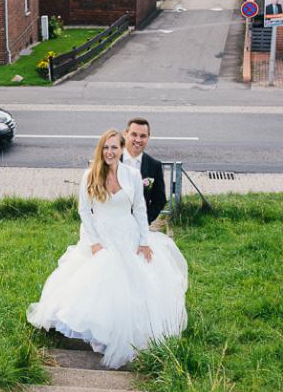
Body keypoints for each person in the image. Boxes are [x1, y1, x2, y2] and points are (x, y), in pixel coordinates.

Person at [27, 129, 188, 369]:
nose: (110, 152)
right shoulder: (90, 175)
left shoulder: (132, 175)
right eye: (106, 147)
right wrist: (94, 242)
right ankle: (96, 330)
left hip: (127, 233)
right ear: (100, 150)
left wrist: (144, 241)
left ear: (122, 150)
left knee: (133, 282)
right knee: (96, 280)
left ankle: (123, 330)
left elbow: (140, 209)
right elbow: (84, 211)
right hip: (100, 235)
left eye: (114, 147)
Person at [122, 118, 167, 230]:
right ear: (125, 134)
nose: (138, 140)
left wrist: (145, 220)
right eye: (134, 134)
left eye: (143, 136)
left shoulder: (154, 166)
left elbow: (159, 199)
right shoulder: (112, 161)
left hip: (139, 227)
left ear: (148, 138)